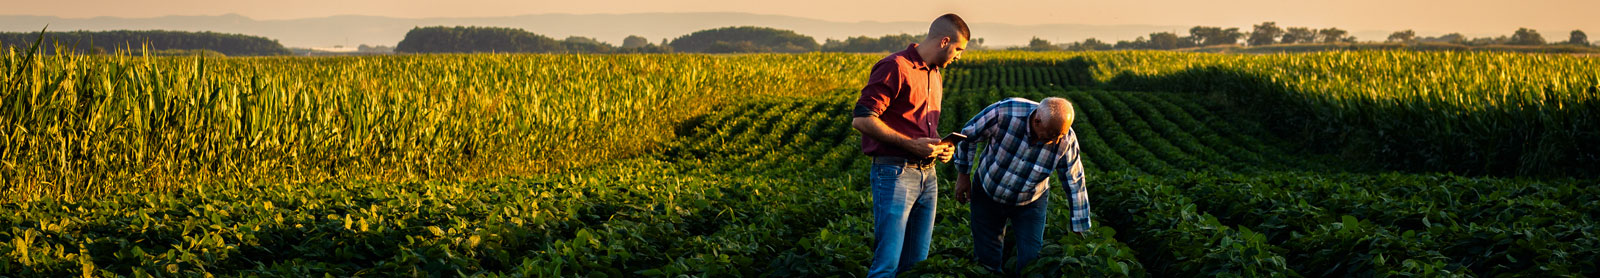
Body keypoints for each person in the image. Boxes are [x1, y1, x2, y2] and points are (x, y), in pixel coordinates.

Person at [849, 13, 970, 277]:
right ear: (944, 41)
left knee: (917, 265)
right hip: (895, 173)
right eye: (958, 49)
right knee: (887, 264)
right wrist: (911, 145)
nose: (959, 56)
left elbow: (917, 127)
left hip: (929, 175)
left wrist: (941, 146)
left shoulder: (935, 74)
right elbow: (862, 119)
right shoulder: (895, 66)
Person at [951, 97, 1089, 274]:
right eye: (1052, 135)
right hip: (988, 192)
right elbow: (967, 135)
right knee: (987, 260)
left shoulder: (1066, 139)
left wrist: (1078, 225)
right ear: (1037, 121)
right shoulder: (1005, 112)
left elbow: (1074, 180)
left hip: (1030, 201)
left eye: (1061, 134)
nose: (1056, 140)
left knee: (1032, 259)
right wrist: (963, 175)